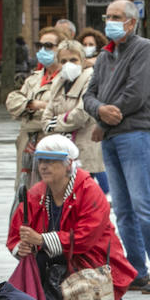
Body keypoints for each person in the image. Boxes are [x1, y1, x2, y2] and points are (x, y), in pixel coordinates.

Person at [84, 0, 150, 294]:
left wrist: (103, 120)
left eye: (116, 16)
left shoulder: (144, 48)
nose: (108, 20)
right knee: (122, 208)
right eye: (107, 15)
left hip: (135, 133)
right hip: (111, 136)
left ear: (131, 22)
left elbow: (136, 94)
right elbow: (89, 95)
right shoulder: (105, 55)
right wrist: (99, 112)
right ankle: (136, 270)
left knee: (142, 203)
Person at [6, 135, 136, 300]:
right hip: (55, 251)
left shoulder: (89, 189)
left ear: (68, 164)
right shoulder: (36, 193)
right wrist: (22, 246)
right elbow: (18, 230)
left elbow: (87, 236)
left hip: (92, 253)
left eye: (51, 161)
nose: (44, 167)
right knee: (36, 259)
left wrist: (41, 239)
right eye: (41, 161)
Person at [41, 39, 108, 193]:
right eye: (63, 61)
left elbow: (81, 114)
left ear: (83, 61)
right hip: (62, 153)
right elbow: (45, 118)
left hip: (86, 149)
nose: (68, 64)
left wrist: (54, 123)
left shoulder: (91, 79)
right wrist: (56, 122)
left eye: (73, 60)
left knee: (84, 195)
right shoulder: (58, 82)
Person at [5, 27, 64, 193]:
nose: (43, 50)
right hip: (26, 145)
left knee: (50, 192)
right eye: (39, 45)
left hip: (51, 142)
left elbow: (61, 109)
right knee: (25, 191)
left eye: (48, 45)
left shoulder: (67, 78)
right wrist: (35, 105)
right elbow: (12, 101)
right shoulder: (34, 78)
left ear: (61, 47)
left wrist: (29, 108)